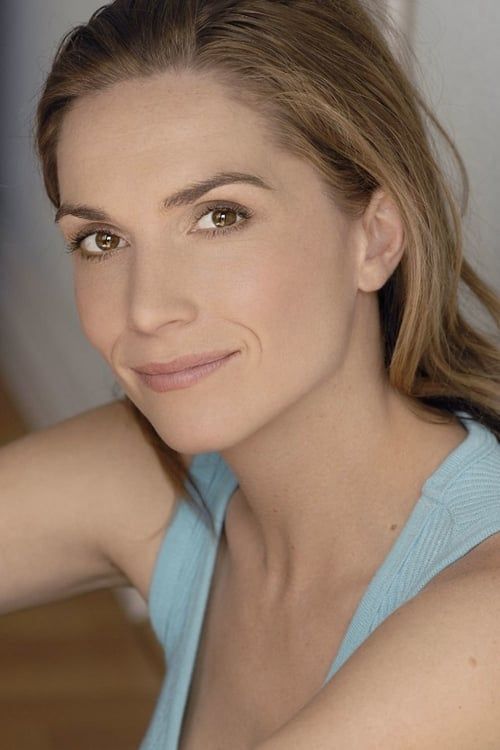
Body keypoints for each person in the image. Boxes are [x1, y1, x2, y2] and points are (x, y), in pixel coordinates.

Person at [3, 0, 499, 747]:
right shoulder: (168, 480)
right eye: (102, 239)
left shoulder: (481, 626)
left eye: (219, 217)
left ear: (374, 238)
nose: (147, 309)